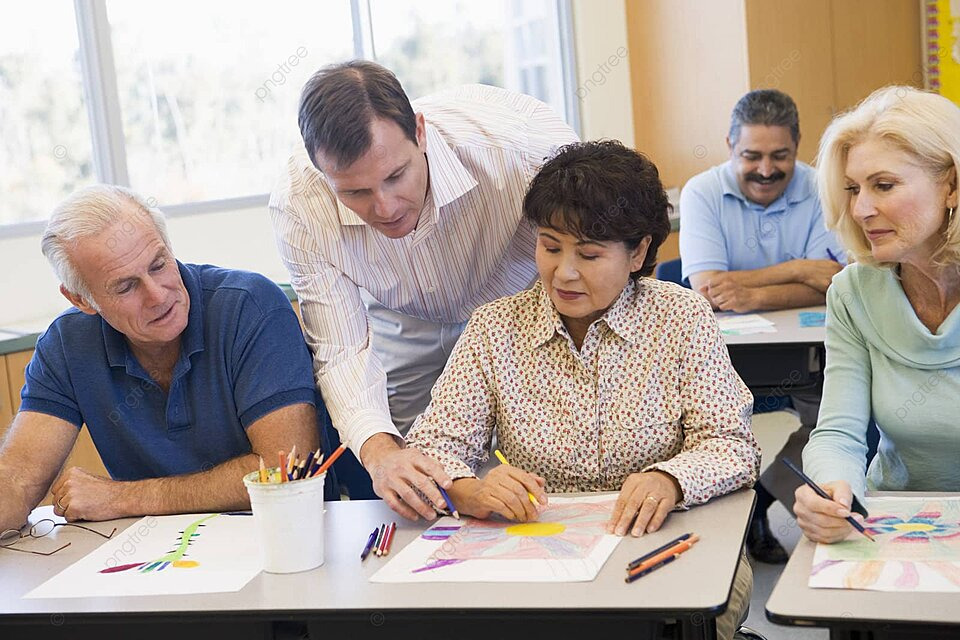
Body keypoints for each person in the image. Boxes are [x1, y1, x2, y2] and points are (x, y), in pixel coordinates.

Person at [406, 141, 759, 640]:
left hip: (663, 539)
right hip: (540, 553)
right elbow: (432, 449)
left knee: (688, 618)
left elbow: (732, 445)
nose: (564, 272)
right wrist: (471, 490)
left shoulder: (681, 318)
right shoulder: (494, 329)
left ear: (638, 252)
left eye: (589, 254)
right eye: (550, 247)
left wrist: (670, 479)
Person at [270, 60, 578, 518]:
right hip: (403, 318)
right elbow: (342, 350)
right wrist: (381, 454)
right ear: (321, 170)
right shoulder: (299, 203)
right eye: (355, 193)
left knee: (545, 461)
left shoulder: (526, 150)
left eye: (396, 176)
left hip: (520, 302)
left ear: (419, 131)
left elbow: (591, 260)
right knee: (419, 480)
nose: (385, 207)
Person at [0, 185, 335, 534]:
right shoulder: (67, 343)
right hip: (154, 554)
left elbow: (286, 473)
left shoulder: (250, 306)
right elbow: (17, 480)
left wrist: (122, 498)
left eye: (159, 265)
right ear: (81, 300)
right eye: (126, 286)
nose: (158, 296)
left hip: (283, 541)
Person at [679, 89, 845, 563]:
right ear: (730, 145)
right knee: (707, 430)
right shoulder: (701, 192)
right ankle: (719, 518)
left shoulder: (822, 188)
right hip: (719, 353)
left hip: (810, 347)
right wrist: (799, 270)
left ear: (797, 147)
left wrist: (750, 292)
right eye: (752, 156)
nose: (766, 170)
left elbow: (835, 282)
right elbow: (708, 288)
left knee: (833, 424)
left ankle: (761, 499)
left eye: (780, 156)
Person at [797, 86, 960, 543]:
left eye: (883, 185)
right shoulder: (854, 293)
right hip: (894, 524)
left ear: (951, 186)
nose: (860, 209)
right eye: (853, 189)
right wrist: (833, 489)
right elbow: (838, 433)